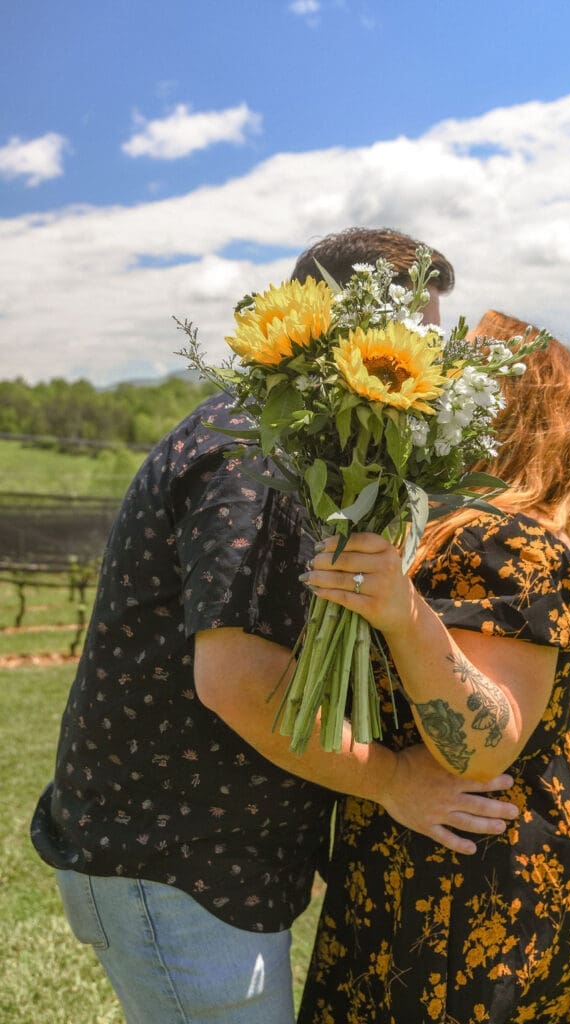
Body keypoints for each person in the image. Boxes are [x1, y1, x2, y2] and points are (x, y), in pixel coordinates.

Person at [30, 231, 519, 1024]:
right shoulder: (259, 456)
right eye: (420, 333)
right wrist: (392, 780)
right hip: (176, 855)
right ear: (343, 326)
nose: (433, 361)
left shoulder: (288, 438)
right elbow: (235, 681)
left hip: (193, 853)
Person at [297, 310, 570, 1023]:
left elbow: (481, 744)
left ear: (498, 407)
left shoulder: (505, 539)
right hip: (451, 849)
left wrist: (403, 615)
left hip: (472, 872)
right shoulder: (444, 525)